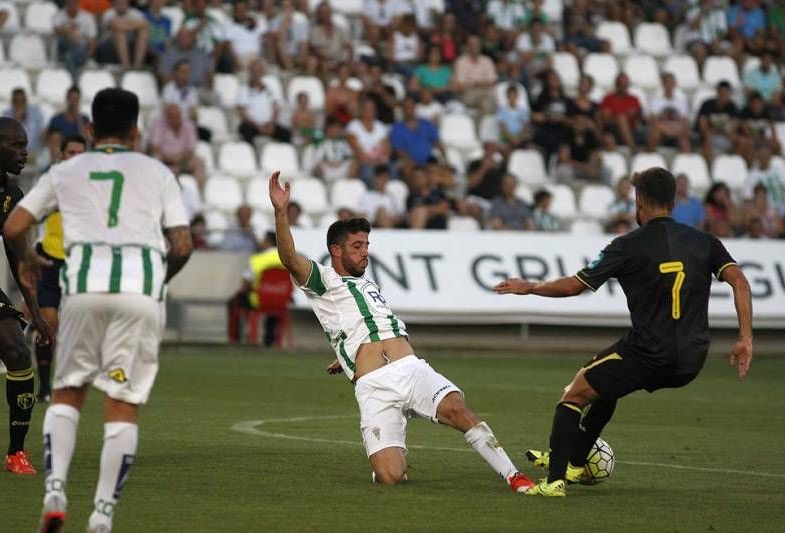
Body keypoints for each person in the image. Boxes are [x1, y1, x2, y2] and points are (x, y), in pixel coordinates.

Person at [267, 170, 535, 492]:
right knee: (390, 477)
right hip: (374, 387)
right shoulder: (323, 281)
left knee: (457, 408)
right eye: (356, 245)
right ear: (336, 251)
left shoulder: (368, 285)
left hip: (410, 368)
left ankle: (513, 475)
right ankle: (390, 459)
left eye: (366, 244)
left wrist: (346, 352)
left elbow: (369, 323)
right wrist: (281, 213)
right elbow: (289, 258)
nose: (365, 251)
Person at [494, 167, 753, 497]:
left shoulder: (627, 245)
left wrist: (529, 287)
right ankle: (574, 461)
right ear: (673, 203)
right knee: (604, 384)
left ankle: (555, 480)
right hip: (691, 358)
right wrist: (745, 338)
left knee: (572, 396)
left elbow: (575, 286)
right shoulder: (705, 242)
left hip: (648, 352)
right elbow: (740, 282)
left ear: (639, 200)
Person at [3, 88, 192, 531]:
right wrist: (156, 281)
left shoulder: (66, 169)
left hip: (83, 289)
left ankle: (54, 492)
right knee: (122, 404)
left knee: (67, 395)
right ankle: (103, 514)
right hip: (139, 295)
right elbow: (182, 244)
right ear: (136, 132)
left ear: (89, 130)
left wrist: (29, 260)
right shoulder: (157, 171)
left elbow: (14, 227)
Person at [0, 117, 53, 475]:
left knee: (16, 348)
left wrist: (37, 314)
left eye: (26, 146)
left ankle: (16, 454)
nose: (25, 153)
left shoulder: (13, 196)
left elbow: (16, 258)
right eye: (18, 145)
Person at [34, 134, 87, 404]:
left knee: (77, 326)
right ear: (62, 155)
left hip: (78, 261)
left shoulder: (93, 185)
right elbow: (33, 212)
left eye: (81, 153)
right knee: (48, 324)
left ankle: (69, 383)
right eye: (71, 152)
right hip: (50, 260)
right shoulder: (51, 182)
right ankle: (44, 386)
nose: (75, 157)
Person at [227, 231, 283, 345]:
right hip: (281, 301)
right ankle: (269, 339)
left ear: (268, 242)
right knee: (274, 300)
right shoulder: (286, 260)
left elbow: (245, 282)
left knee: (233, 301)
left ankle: (235, 339)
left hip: (258, 300)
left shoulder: (258, 259)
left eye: (263, 240)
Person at [148, 103, 207, 189]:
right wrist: (169, 158)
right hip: (164, 160)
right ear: (166, 116)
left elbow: (191, 149)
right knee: (156, 159)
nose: (174, 118)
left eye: (176, 115)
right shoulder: (158, 124)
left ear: (180, 114)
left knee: (199, 162)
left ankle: (198, 194)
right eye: (171, 115)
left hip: (183, 160)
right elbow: (154, 147)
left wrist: (179, 160)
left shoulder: (188, 125)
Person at [53, 0, 98, 79]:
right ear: (66, 4)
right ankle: (74, 83)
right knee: (67, 43)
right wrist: (69, 33)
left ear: (78, 4)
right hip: (63, 48)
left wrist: (88, 56)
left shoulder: (88, 17)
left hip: (81, 50)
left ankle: (72, 82)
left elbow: (92, 40)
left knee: (70, 57)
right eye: (69, 3)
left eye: (74, 3)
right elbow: (56, 30)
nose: (71, 5)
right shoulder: (58, 15)